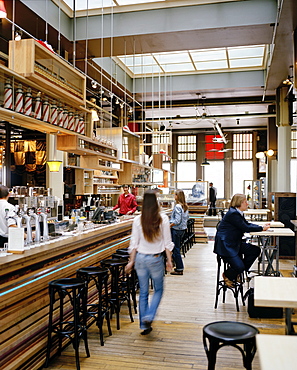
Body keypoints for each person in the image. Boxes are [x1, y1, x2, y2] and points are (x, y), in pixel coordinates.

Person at [125, 190, 173, 335]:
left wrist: (131, 261)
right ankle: (149, 316)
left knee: (144, 292)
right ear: (156, 202)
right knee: (158, 289)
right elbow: (167, 242)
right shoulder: (162, 219)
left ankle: (144, 325)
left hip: (140, 258)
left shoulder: (137, 220)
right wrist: (169, 260)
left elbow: (133, 243)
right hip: (155, 258)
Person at [214, 193, 270, 287]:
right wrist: (261, 228)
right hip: (226, 246)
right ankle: (228, 274)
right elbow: (245, 227)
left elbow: (246, 224)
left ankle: (237, 273)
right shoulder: (233, 213)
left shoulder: (237, 212)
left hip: (234, 243)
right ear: (240, 203)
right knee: (240, 267)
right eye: (245, 202)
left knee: (255, 250)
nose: (247, 204)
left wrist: (261, 227)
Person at [169, 189, 189, 276]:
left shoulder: (177, 206)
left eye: (175, 195)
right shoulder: (185, 206)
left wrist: (169, 225)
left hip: (176, 230)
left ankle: (179, 268)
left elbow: (177, 220)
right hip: (182, 229)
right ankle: (176, 265)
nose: (174, 196)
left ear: (178, 196)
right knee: (177, 248)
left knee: (176, 249)